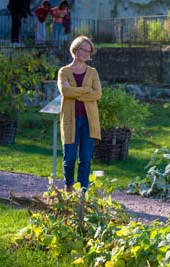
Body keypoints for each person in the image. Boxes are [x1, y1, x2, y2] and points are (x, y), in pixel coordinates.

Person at [57, 36, 102, 192]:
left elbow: (97, 95)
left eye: (88, 50)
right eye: (83, 49)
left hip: (89, 122)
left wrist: (75, 92)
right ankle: (69, 186)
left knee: (85, 159)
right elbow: (65, 91)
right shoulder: (64, 71)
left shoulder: (93, 72)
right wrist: (85, 90)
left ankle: (82, 191)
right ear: (75, 49)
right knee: (69, 158)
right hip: (70, 120)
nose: (86, 53)